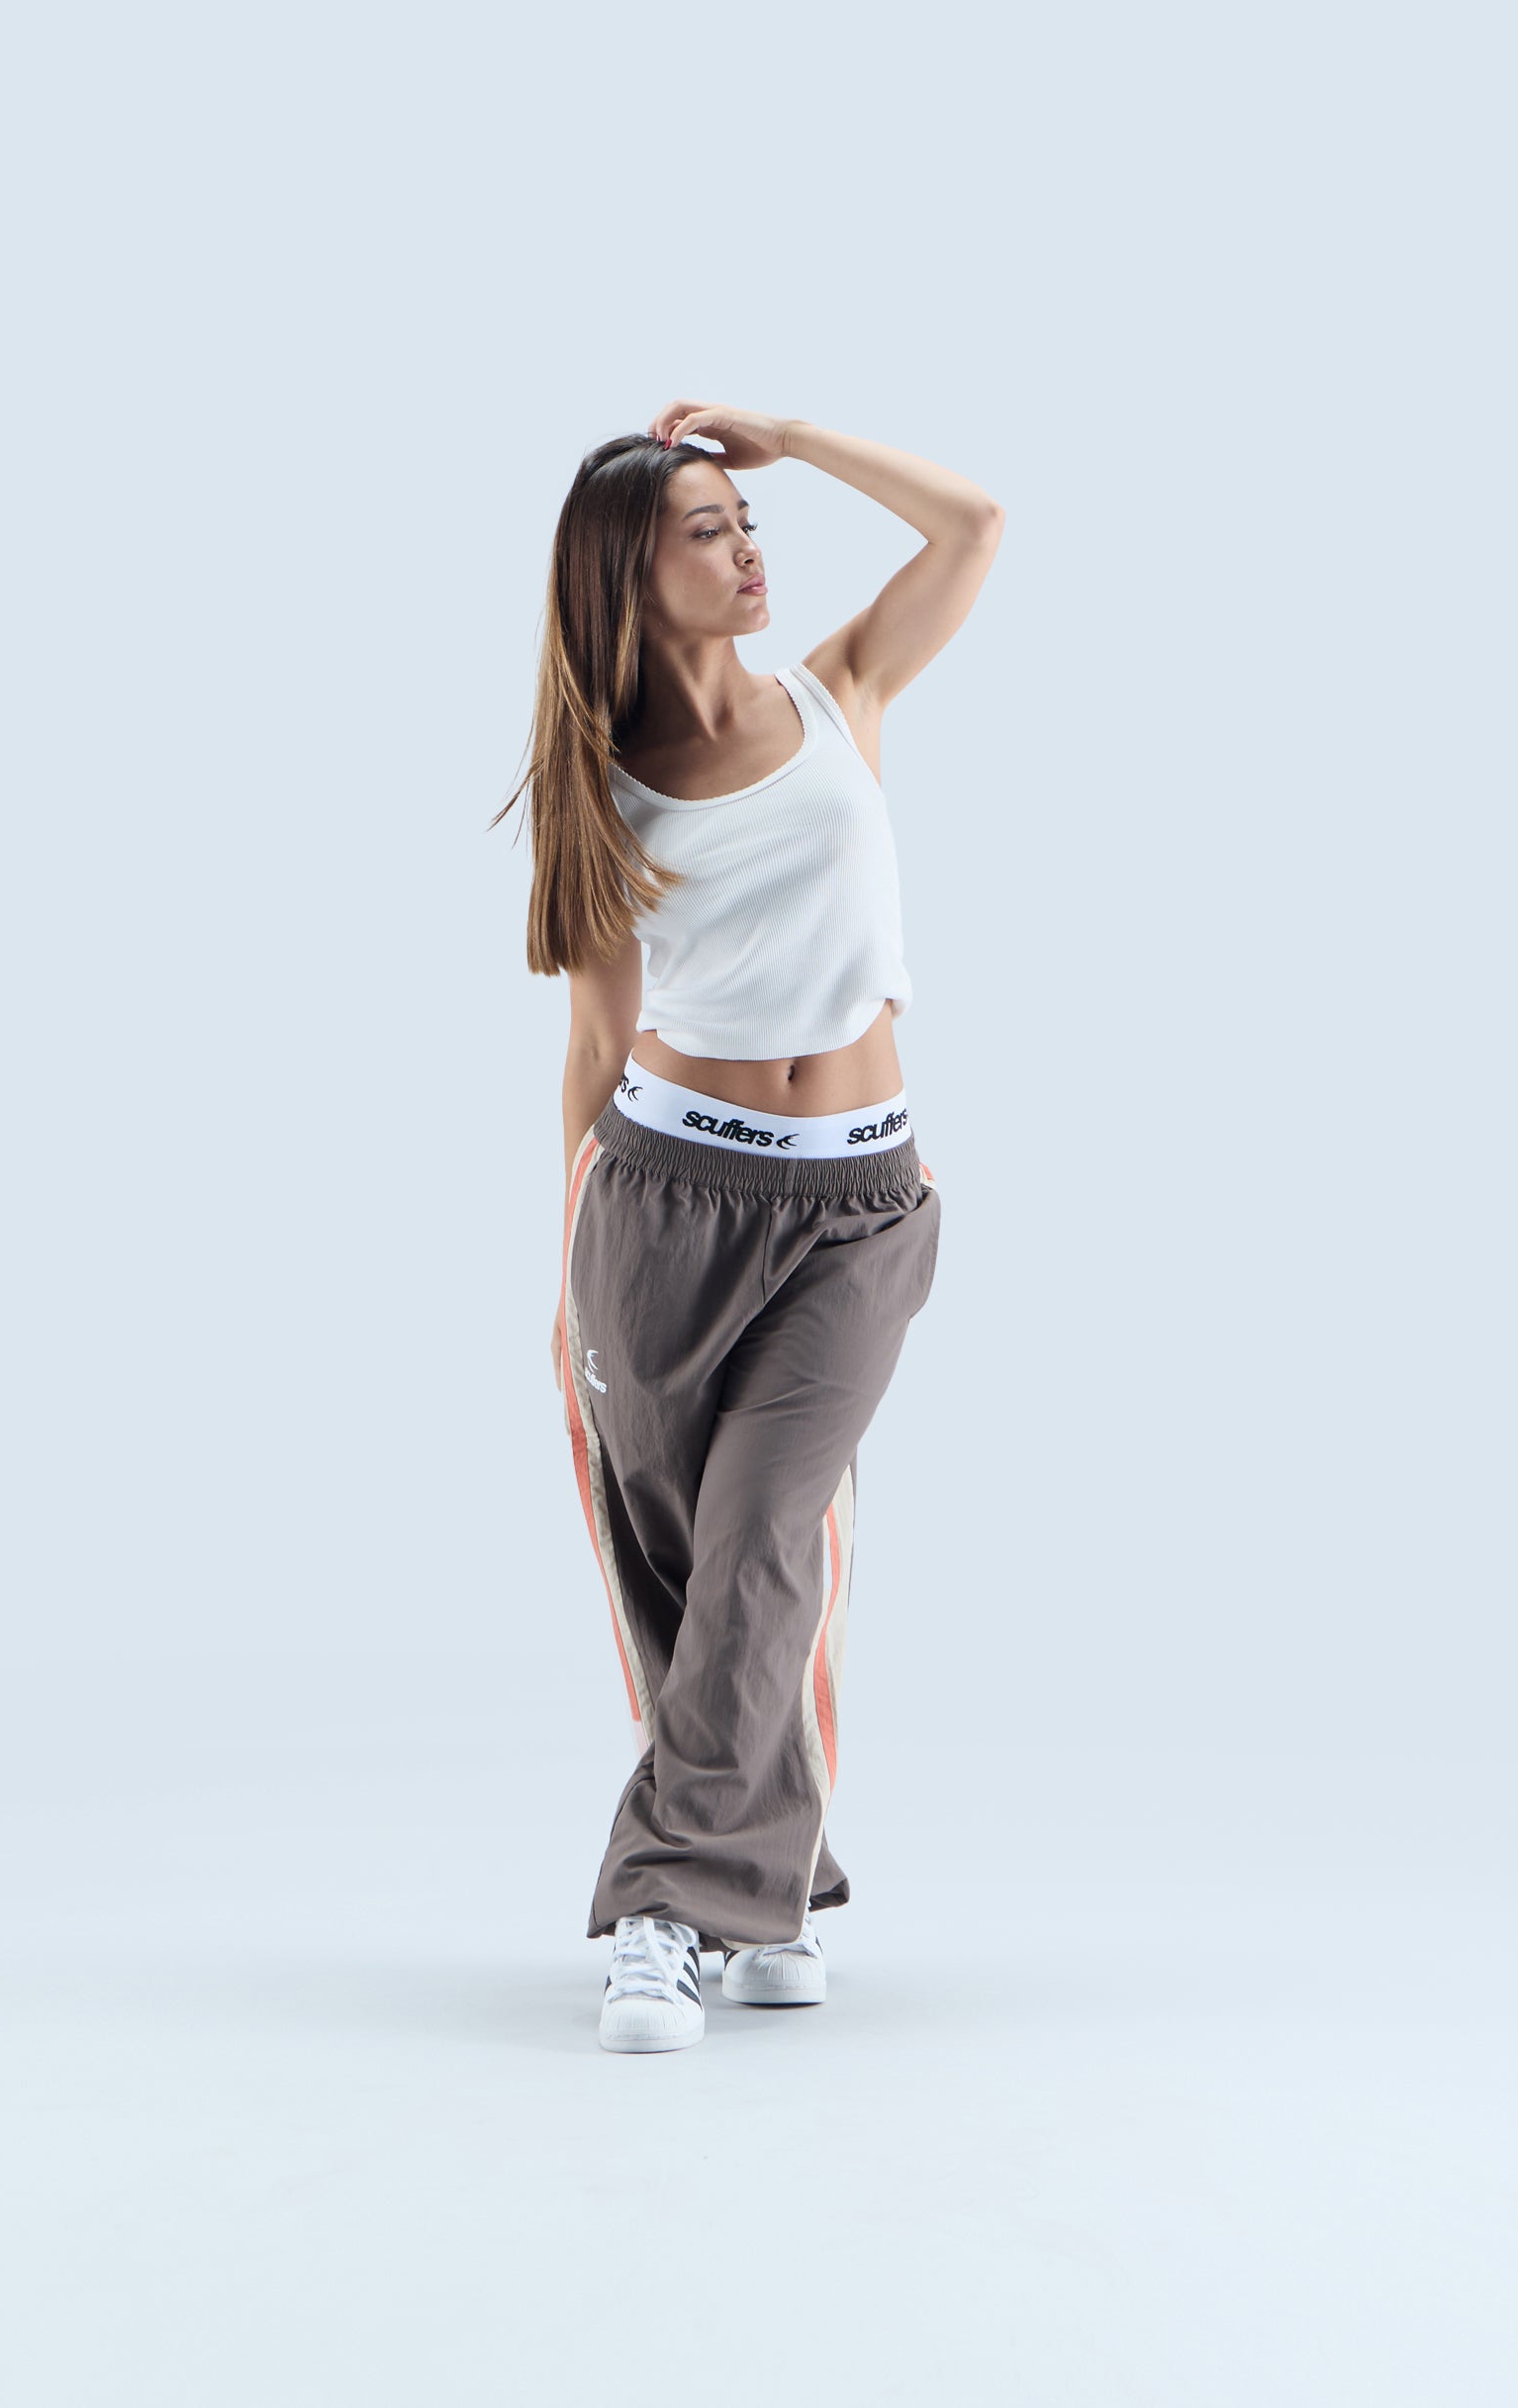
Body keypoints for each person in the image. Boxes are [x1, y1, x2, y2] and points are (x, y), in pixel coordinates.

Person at [494, 400, 1004, 2051]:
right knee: (682, 1565)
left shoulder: (842, 692)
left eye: (746, 522)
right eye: (706, 532)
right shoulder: (599, 792)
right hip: (659, 1202)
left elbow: (974, 526)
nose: (747, 549)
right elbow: (593, 1047)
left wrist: (785, 434)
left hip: (859, 1206)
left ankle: (665, 1907)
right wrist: (567, 1278)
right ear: (627, 580)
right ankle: (773, 1888)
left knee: (767, 1536)